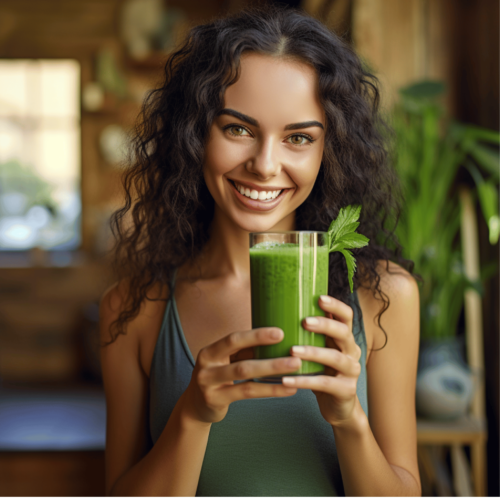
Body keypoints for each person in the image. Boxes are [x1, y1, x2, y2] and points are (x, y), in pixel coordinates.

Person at [99, 4, 421, 496]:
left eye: (298, 138)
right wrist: (191, 415)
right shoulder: (133, 310)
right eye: (238, 129)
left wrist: (349, 418)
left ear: (327, 152)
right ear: (194, 136)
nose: (265, 165)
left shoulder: (385, 297)